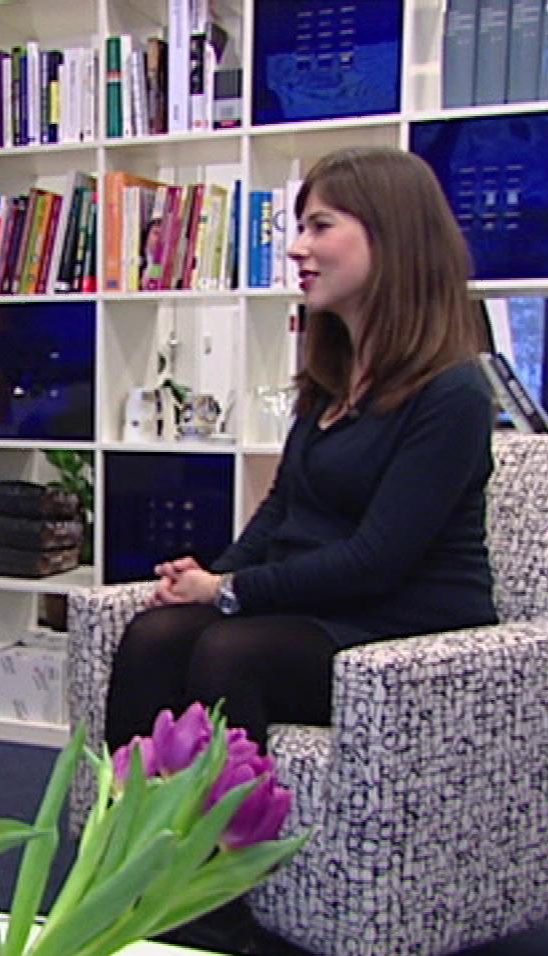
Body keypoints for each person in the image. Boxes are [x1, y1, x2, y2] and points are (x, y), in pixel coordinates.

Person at [106, 145, 499, 801]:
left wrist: (227, 590)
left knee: (231, 654)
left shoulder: (453, 394)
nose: (296, 248)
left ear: (392, 238)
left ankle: (224, 860)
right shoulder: (334, 378)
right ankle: (125, 847)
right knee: (155, 636)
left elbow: (376, 560)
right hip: (321, 612)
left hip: (400, 624)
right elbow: (282, 510)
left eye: (320, 226)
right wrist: (206, 581)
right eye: (300, 227)